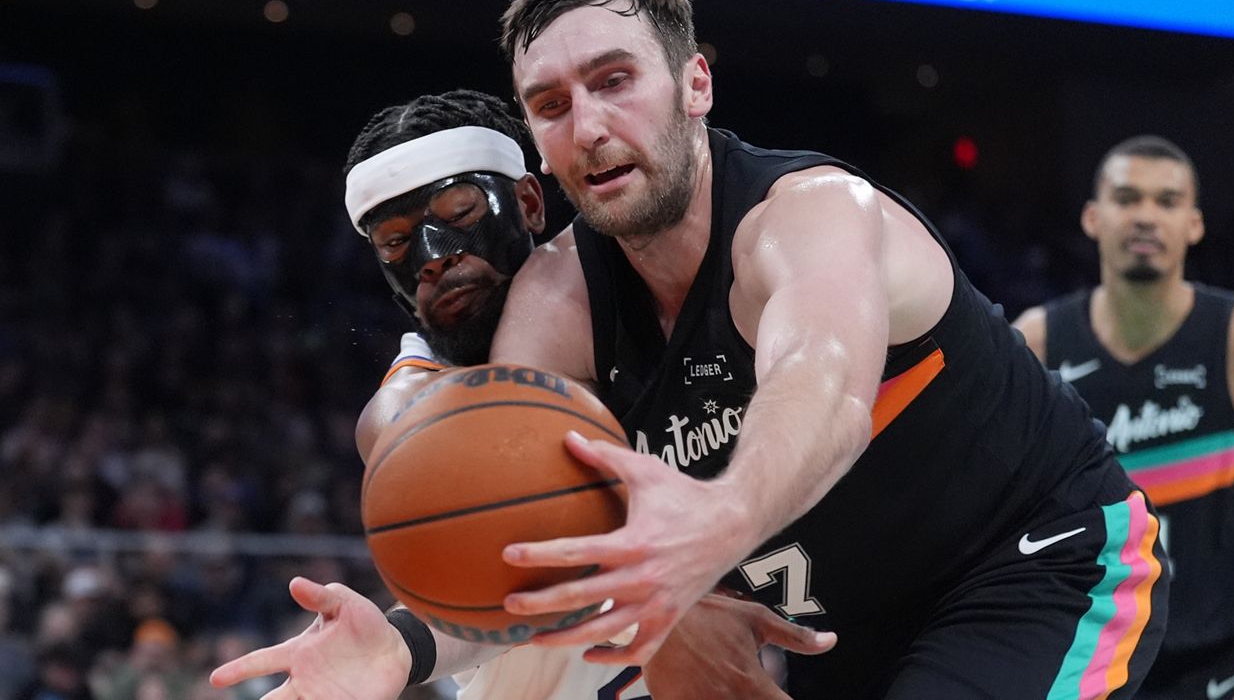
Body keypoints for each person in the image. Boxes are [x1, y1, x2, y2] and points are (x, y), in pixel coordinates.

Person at [468, 0, 1171, 698]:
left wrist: (724, 516)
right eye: (551, 105)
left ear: (695, 86)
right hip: (843, 634)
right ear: (538, 146)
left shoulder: (809, 215)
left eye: (615, 80)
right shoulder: (554, 305)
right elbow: (500, 529)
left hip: (1035, 562)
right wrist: (399, 643)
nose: (587, 126)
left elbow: (822, 377)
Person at [208, 90, 834, 700]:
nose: (432, 258)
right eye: (396, 244)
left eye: (459, 216)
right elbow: (513, 596)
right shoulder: (410, 413)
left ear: (531, 202)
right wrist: (398, 646)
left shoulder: (662, 298)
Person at [1013, 135, 1234, 700]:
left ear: (1195, 223)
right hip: (1082, 668)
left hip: (1226, 667)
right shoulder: (1035, 346)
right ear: (1092, 217)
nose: (1146, 217)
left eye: (1167, 201)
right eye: (1127, 198)